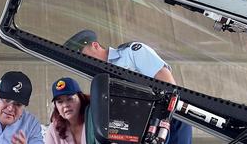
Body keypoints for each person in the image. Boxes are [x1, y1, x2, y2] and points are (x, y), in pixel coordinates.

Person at [64, 30, 192, 144]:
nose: (82, 61)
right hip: (141, 130)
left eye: (82, 54)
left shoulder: (132, 52)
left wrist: (163, 118)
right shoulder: (101, 80)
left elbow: (167, 82)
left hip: (167, 120)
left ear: (95, 45)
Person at [45, 77, 90, 144]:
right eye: (60, 102)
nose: (65, 105)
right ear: (56, 106)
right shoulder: (53, 131)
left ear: (80, 98)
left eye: (69, 99)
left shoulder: (95, 121)